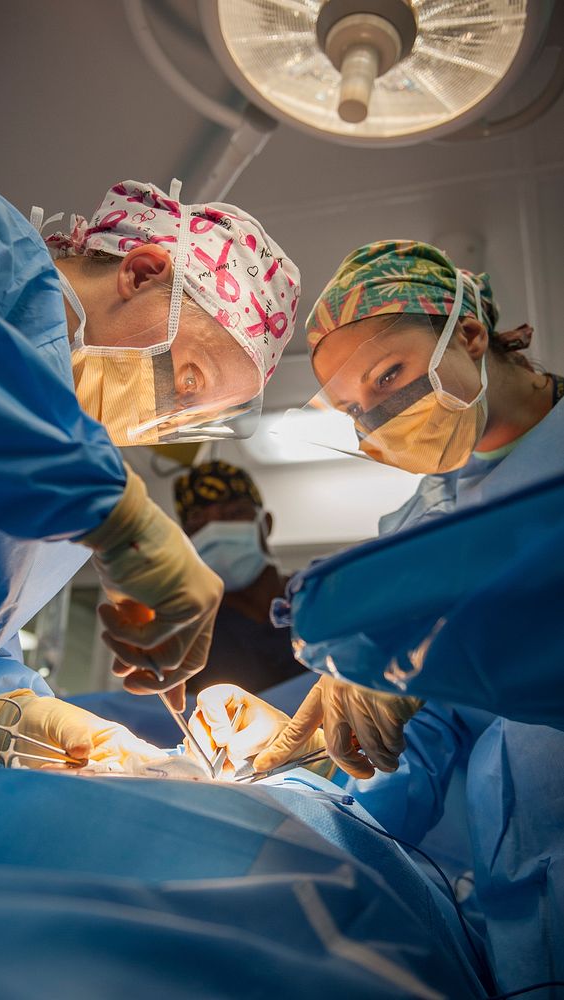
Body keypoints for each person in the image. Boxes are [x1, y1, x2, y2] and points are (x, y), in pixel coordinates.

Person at [194, 239, 564, 994]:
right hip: (523, 916)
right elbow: (419, 741)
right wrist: (303, 766)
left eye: (389, 375)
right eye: (356, 408)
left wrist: (449, 645)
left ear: (468, 335)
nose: (379, 419)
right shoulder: (415, 533)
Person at [0, 164, 300, 783]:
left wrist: (24, 712)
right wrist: (116, 516)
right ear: (141, 274)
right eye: (186, 381)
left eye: (183, 422)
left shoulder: (59, 504)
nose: (158, 423)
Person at [172, 460, 306, 694]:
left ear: (265, 523)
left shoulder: (316, 596)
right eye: (198, 523)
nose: (215, 530)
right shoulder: (191, 636)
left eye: (233, 514)